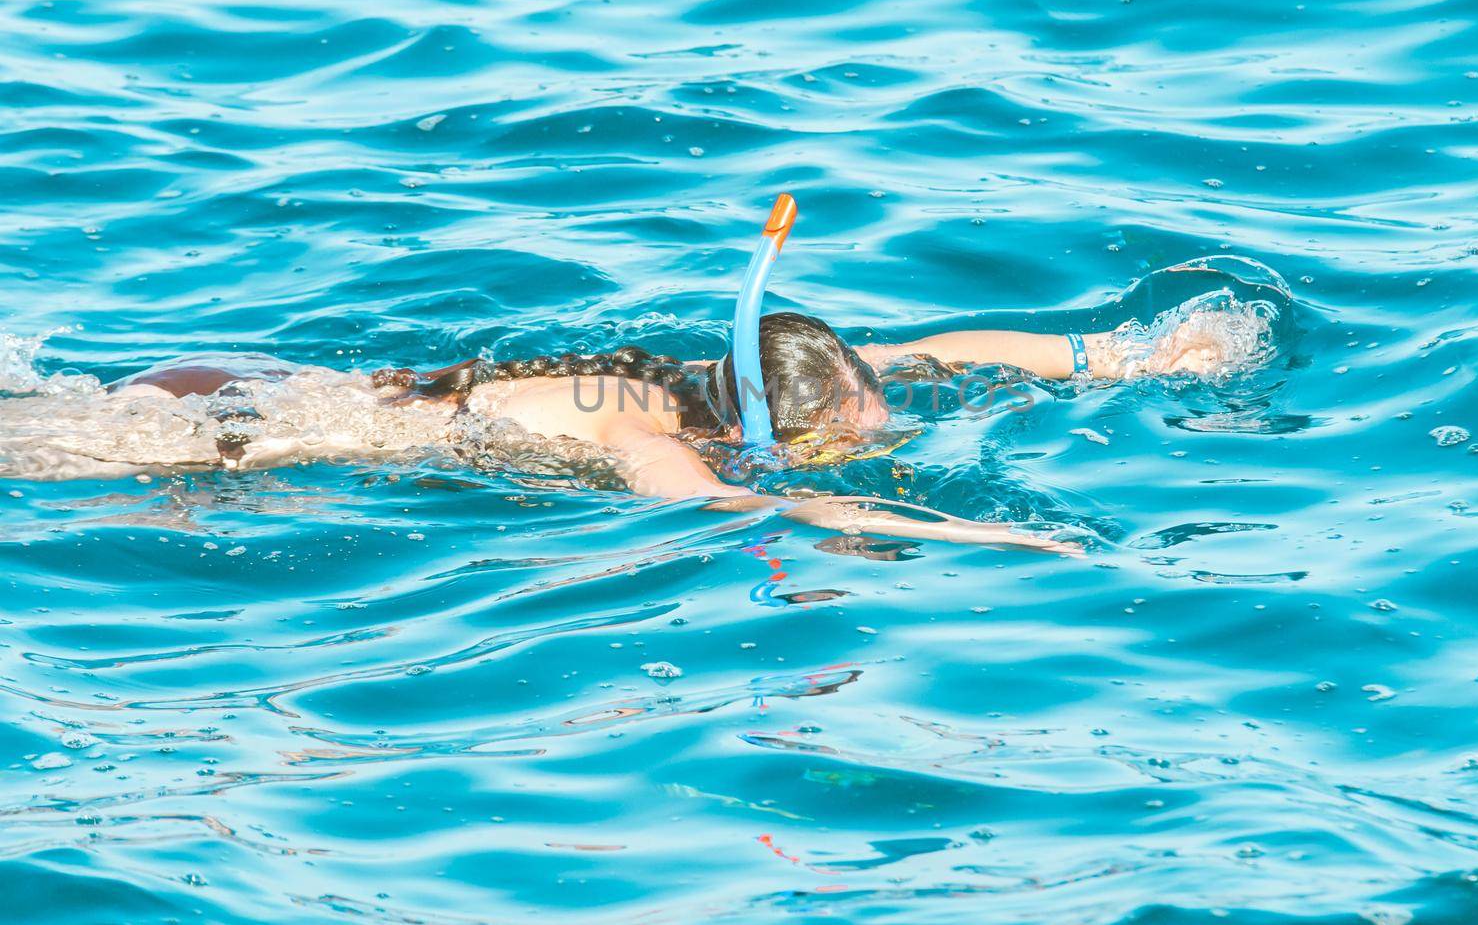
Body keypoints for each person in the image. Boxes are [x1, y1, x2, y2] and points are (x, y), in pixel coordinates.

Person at [52, 299, 1256, 554]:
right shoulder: (651, 431)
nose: (883, 415)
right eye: (861, 423)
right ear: (798, 422)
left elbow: (946, 347)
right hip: (211, 431)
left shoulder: (750, 370)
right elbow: (730, 506)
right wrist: (995, 542)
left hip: (257, 376)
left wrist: (1132, 355)